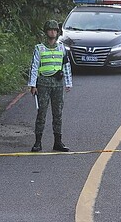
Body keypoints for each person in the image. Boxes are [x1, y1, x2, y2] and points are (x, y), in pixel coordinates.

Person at [28, 20, 73, 152]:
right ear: (46, 32)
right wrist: (32, 84)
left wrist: (68, 83)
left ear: (57, 32)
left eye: (54, 30)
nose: (52, 32)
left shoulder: (62, 48)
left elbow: (66, 65)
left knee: (58, 113)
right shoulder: (39, 48)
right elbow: (34, 66)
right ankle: (38, 142)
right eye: (50, 30)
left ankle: (58, 142)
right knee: (41, 112)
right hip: (43, 83)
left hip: (58, 84)